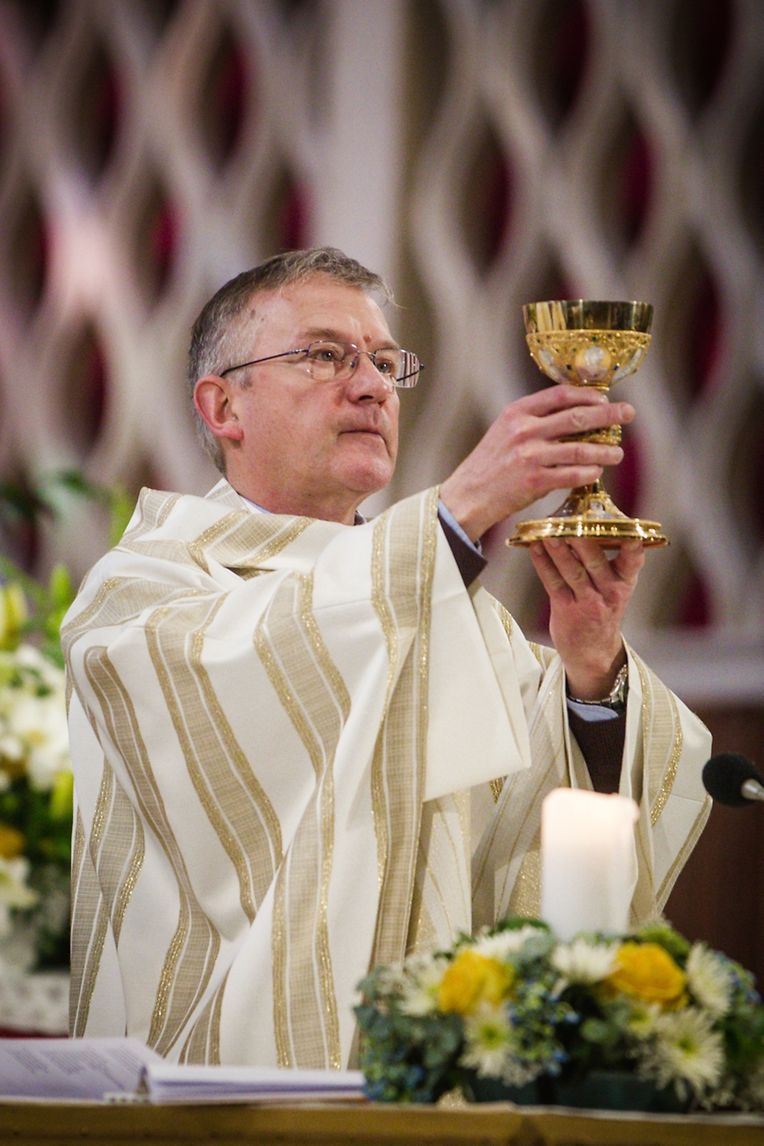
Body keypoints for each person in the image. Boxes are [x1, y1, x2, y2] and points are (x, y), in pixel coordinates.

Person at [63, 247, 711, 1069]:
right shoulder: (146, 590)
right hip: (219, 1083)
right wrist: (458, 510)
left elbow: (539, 849)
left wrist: (589, 672)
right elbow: (252, 690)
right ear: (224, 405)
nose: (370, 385)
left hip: (436, 1085)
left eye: (382, 361)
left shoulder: (449, 611)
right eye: (324, 355)